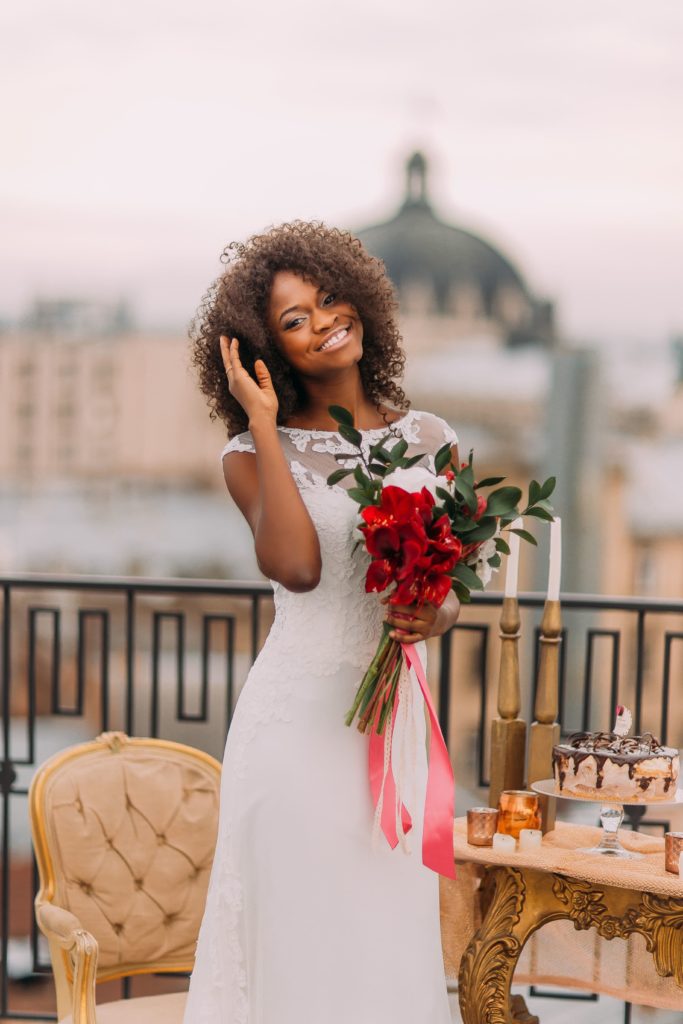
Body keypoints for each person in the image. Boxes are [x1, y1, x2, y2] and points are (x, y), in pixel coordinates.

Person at [183, 220, 461, 1023]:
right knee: (299, 941)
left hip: (391, 730)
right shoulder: (247, 455)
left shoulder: (432, 438)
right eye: (293, 320)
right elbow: (298, 569)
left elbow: (447, 590)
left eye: (328, 299)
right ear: (266, 350)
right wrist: (265, 424)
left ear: (360, 301)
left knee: (383, 936)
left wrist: (429, 613)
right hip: (294, 733)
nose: (323, 321)